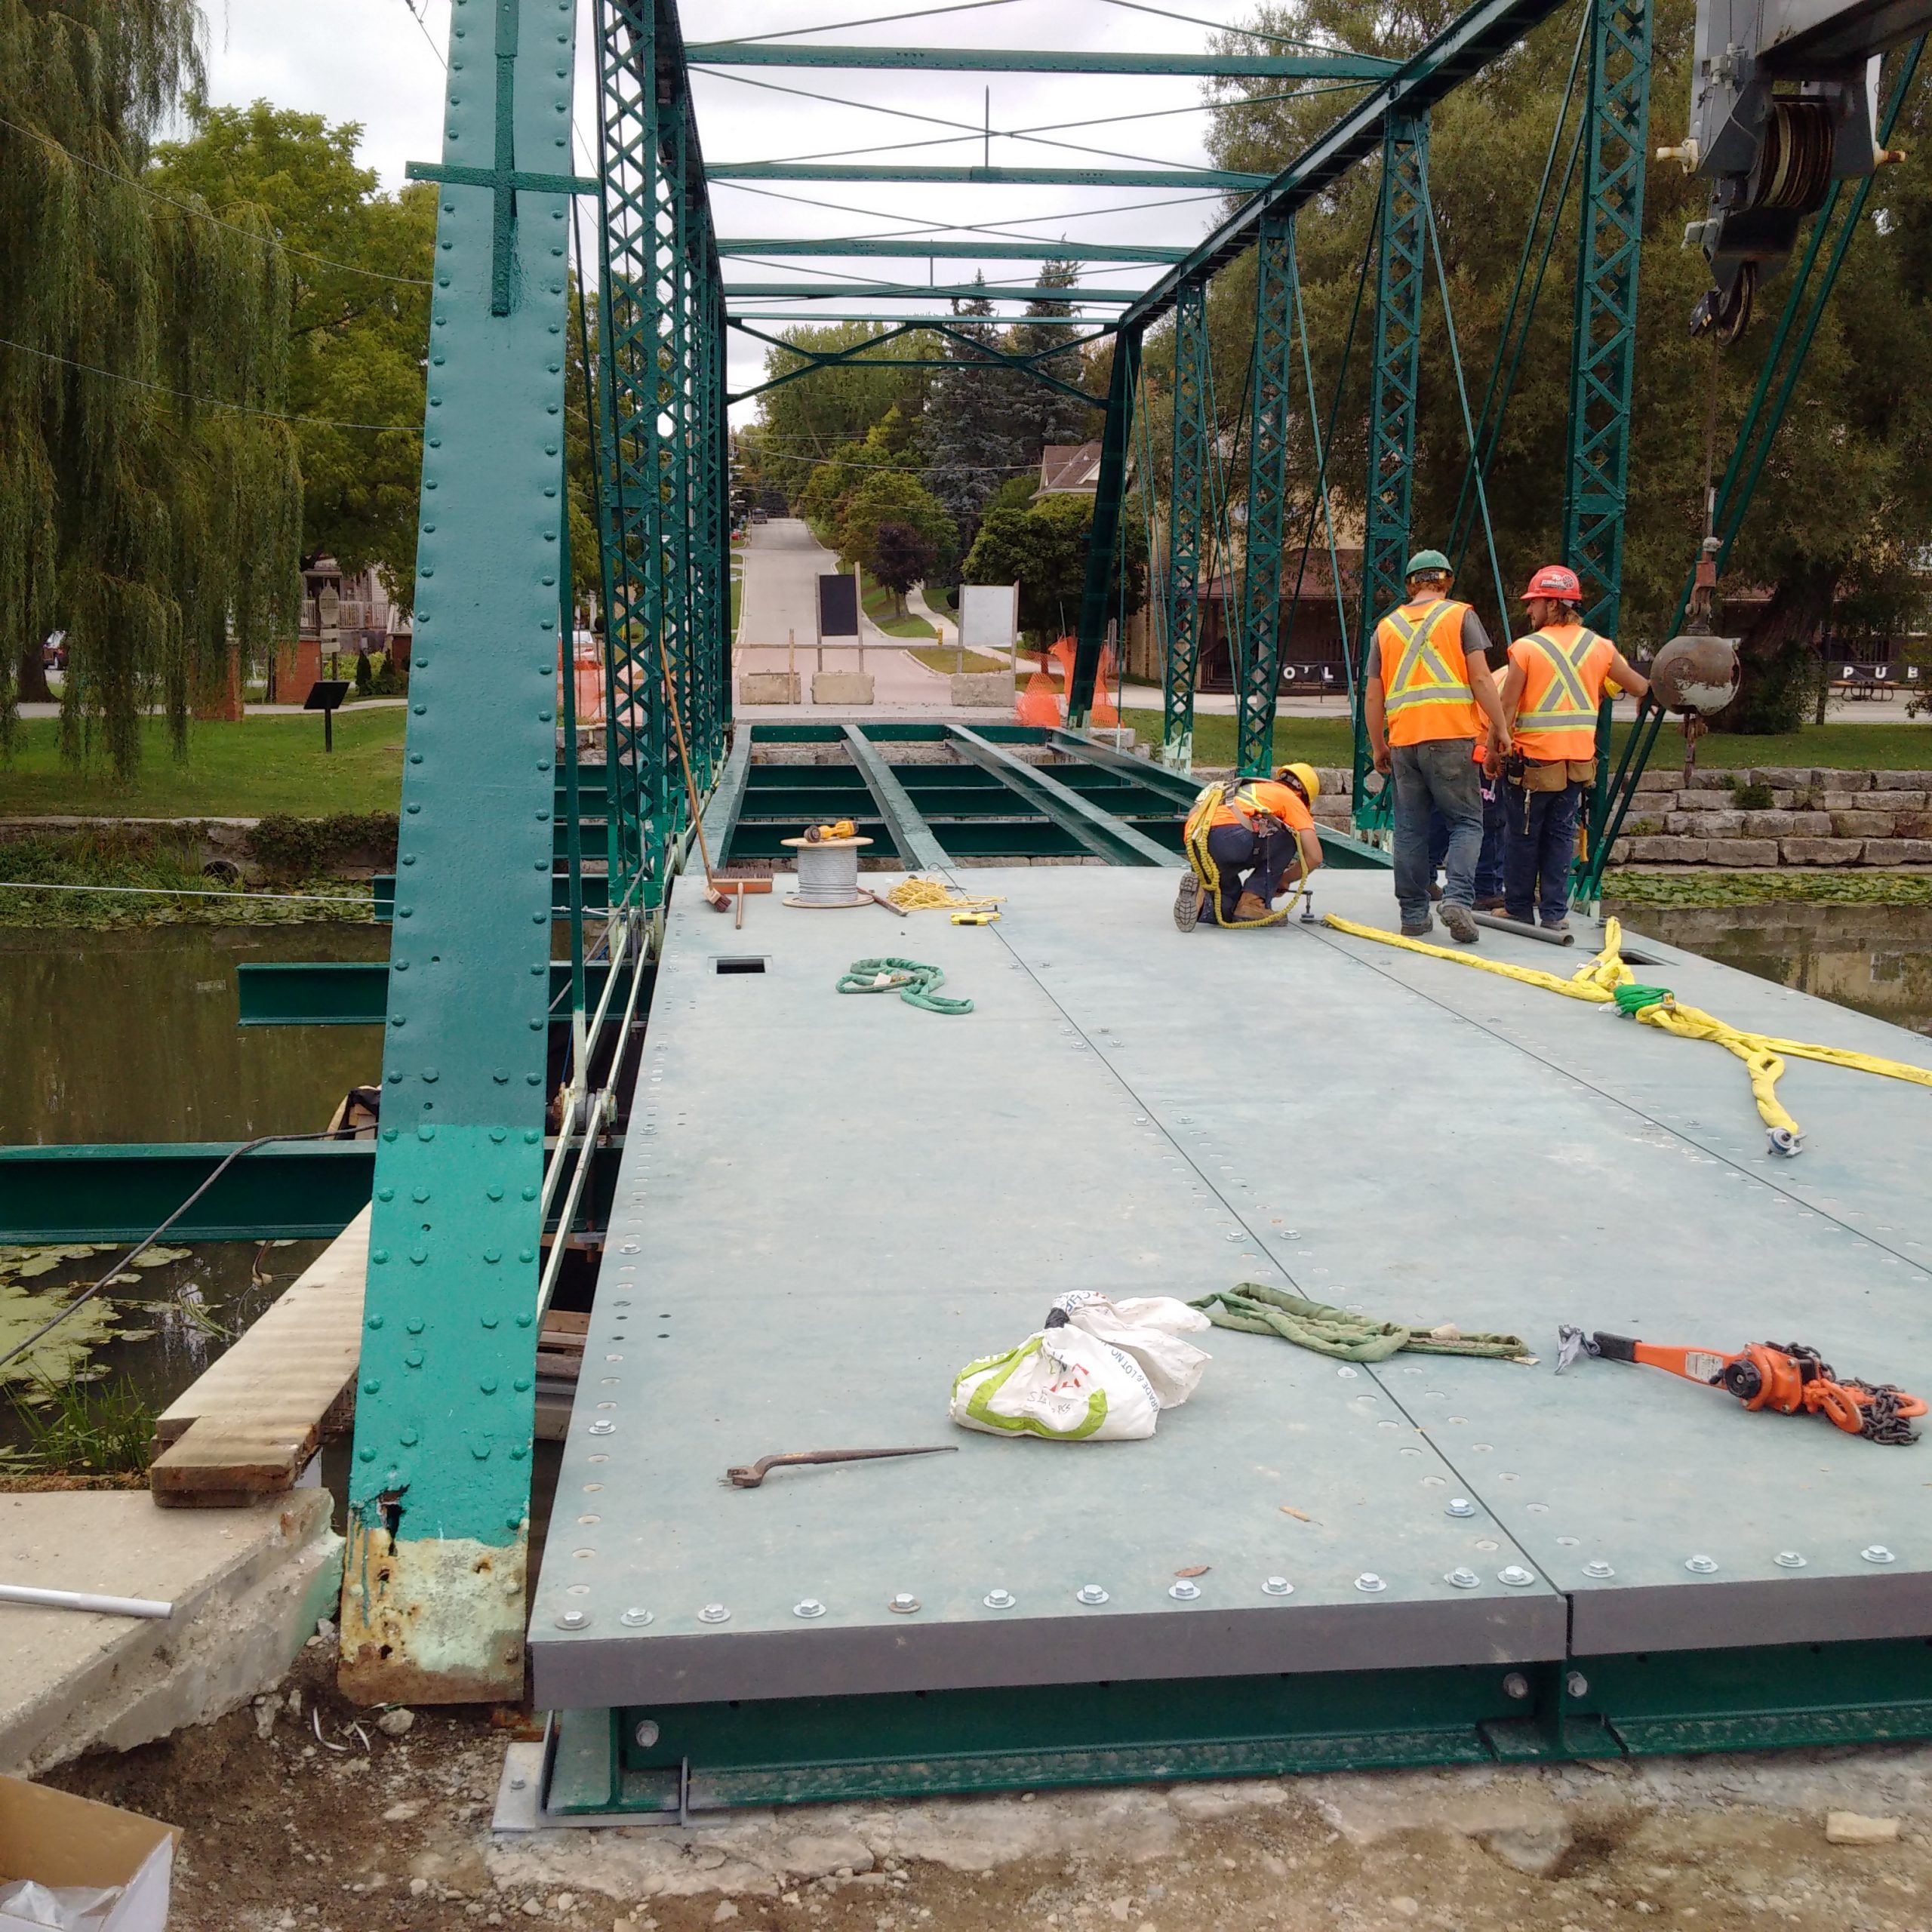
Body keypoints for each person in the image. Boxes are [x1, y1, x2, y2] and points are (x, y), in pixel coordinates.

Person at [1364, 549, 1512, 942]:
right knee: (1466, 822)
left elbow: (1374, 695)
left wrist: (1378, 745)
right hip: (1451, 738)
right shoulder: (1460, 616)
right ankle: (1458, 899)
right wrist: (1499, 727)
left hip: (1404, 742)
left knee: (1410, 830)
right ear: (1446, 581)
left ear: (1410, 585)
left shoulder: (1386, 628)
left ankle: (1413, 915)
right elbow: (1481, 679)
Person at [1495, 564, 1651, 933]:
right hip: (1577, 763)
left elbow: (1506, 707)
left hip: (1533, 763)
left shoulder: (1527, 648)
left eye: (1533, 602)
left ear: (1552, 604)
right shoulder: (1600, 647)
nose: (1528, 609)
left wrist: (1492, 751)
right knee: (1561, 836)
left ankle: (1518, 908)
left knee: (1522, 835)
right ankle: (1554, 913)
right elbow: (1639, 686)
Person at [1176, 762, 1324, 930]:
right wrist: (1284, 879)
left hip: (1198, 843)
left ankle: (1200, 900)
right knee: (1289, 838)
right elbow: (1315, 856)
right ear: (1302, 793)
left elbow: (1193, 814)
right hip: (1231, 839)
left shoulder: (1246, 789)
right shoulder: (1291, 798)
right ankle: (1252, 902)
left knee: (1228, 907)